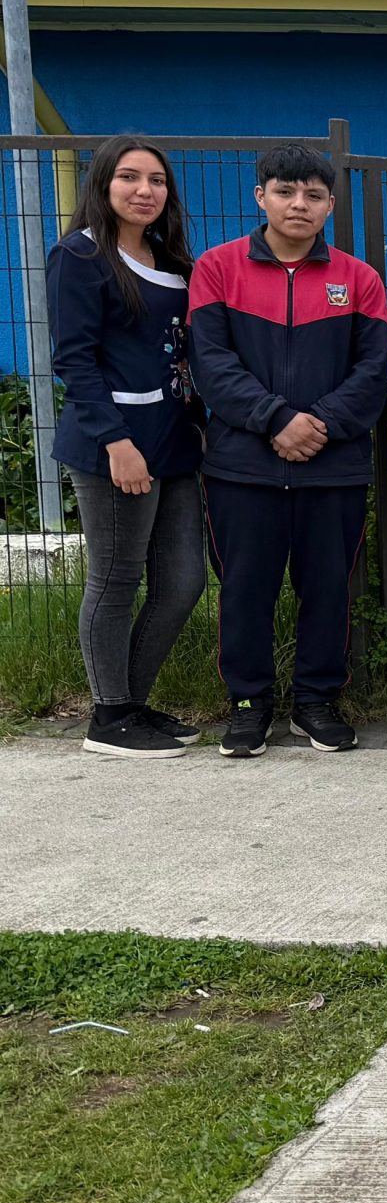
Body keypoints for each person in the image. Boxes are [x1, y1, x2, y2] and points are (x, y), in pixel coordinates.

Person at [190, 142, 387, 757]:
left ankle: (316, 702)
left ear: (330, 203)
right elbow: (211, 364)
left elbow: (373, 369)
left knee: (328, 590)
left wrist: (318, 425)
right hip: (242, 468)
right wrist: (276, 420)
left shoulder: (359, 279)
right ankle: (248, 705)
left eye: (312, 195)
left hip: (333, 470)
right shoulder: (217, 269)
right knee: (245, 589)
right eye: (285, 191)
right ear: (260, 196)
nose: (298, 204)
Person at [45, 136, 206, 758]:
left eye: (157, 181)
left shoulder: (171, 261)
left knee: (184, 582)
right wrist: (116, 441)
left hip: (174, 442)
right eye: (130, 178)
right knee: (115, 579)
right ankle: (109, 717)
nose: (145, 191)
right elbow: (74, 360)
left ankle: (128, 705)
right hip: (115, 447)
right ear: (103, 185)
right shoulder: (80, 256)